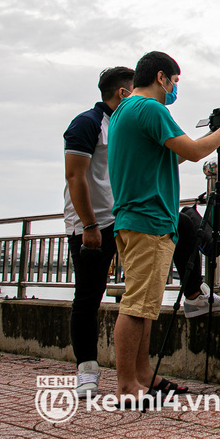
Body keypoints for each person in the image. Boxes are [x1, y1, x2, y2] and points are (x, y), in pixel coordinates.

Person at [108, 51, 220, 398]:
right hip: (148, 218)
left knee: (145, 306)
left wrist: (212, 136)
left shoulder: (125, 110)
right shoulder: (152, 108)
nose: (174, 89)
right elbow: (196, 154)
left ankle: (142, 376)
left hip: (133, 217)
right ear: (162, 77)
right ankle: (126, 385)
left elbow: (177, 152)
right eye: (175, 82)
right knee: (136, 306)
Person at [64, 66, 134, 398]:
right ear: (123, 92)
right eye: (135, 90)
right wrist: (89, 225)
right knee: (88, 297)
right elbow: (75, 177)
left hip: (122, 219)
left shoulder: (122, 126)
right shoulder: (87, 123)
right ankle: (87, 370)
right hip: (91, 224)